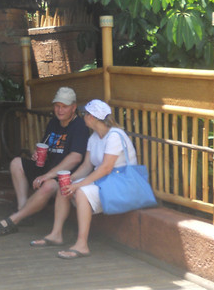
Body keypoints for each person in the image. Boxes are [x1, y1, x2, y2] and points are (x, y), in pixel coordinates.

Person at [31, 98, 139, 259]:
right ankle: (56, 234)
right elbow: (87, 166)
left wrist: (78, 185)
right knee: (64, 186)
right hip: (104, 181)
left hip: (121, 184)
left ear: (92, 117)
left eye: (85, 114)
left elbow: (105, 168)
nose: (83, 117)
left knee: (81, 192)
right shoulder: (94, 137)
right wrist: (70, 180)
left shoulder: (115, 136)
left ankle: (82, 245)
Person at [0, 86, 89, 235]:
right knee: (16, 163)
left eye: (64, 107)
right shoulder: (53, 123)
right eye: (57, 106)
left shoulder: (79, 126)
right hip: (48, 169)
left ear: (73, 108)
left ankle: (14, 219)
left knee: (49, 184)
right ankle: (23, 210)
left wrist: (48, 175)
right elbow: (45, 146)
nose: (60, 110)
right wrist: (37, 154)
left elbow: (76, 157)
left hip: (63, 176)